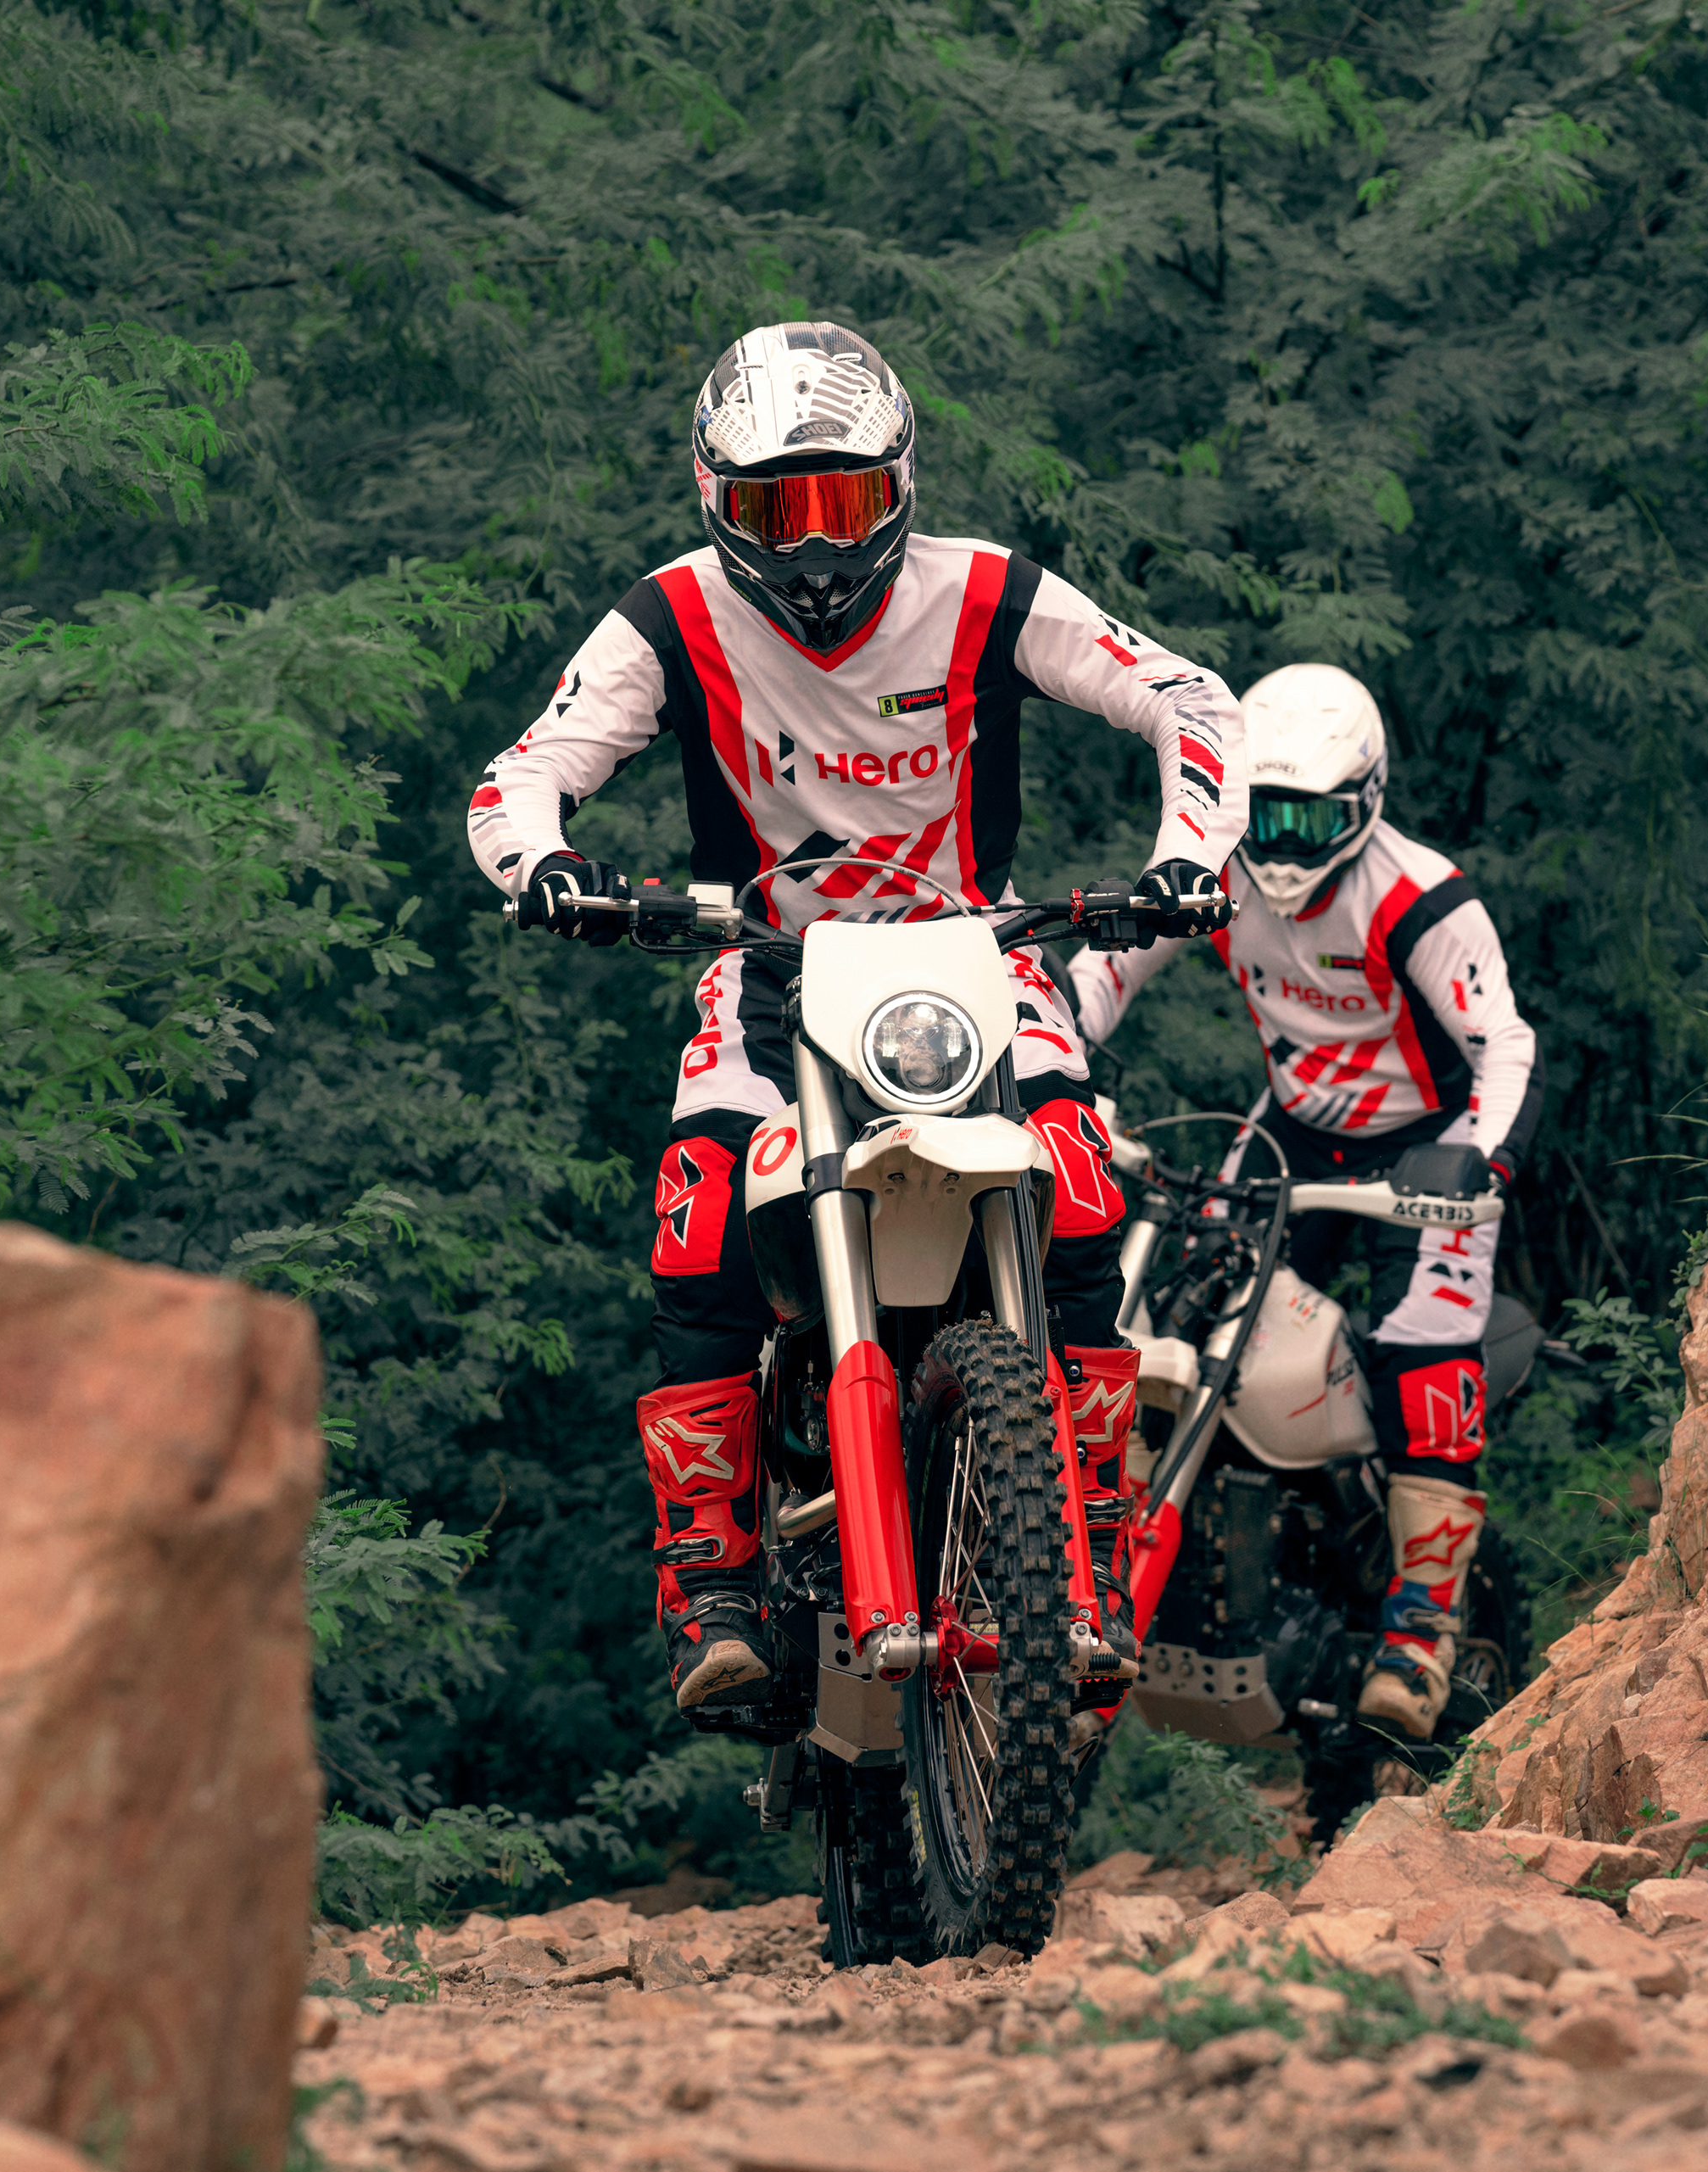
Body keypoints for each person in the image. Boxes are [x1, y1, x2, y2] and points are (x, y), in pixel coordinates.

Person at [466, 321, 1248, 1712]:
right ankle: (707, 1577)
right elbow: (525, 770)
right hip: (768, 968)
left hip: (977, 959)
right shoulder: (671, 617)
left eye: (847, 503)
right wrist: (550, 868)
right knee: (698, 1213)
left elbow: (1186, 695)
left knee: (1079, 1190)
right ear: (717, 501)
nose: (820, 548)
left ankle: (1090, 1535)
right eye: (782, 512)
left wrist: (1187, 855)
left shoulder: (984, 592)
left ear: (903, 488)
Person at [1073, 662, 1538, 1739]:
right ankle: (1111, 1563)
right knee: (1173, 1314)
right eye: (1262, 812)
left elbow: (1505, 1044)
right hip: (1291, 1128)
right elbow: (1109, 966)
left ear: (1364, 802)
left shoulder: (1420, 897)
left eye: (1307, 818)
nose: (1279, 845)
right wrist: (1054, 1044)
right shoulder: (1214, 867)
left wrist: (1482, 1161)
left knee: (1423, 1347)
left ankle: (1422, 1628)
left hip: (1428, 1144)